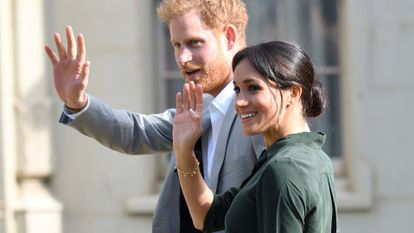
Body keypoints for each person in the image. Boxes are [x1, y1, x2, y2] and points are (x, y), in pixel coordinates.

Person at [44, 0, 263, 233]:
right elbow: (135, 132)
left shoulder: (262, 111)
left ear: (228, 37)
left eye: (193, 43)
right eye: (176, 45)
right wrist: (77, 103)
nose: (182, 58)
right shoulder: (201, 107)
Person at [173, 40, 338, 233]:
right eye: (237, 90)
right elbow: (206, 215)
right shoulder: (306, 158)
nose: (240, 102)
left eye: (253, 88)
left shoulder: (284, 168)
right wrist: (184, 151)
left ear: (293, 93)